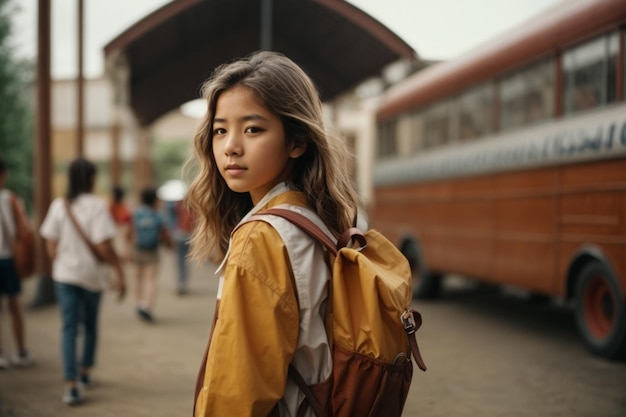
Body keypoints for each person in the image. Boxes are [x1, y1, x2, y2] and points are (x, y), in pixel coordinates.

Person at [187, 51, 359, 417]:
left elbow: (238, 392)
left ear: (297, 142)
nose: (231, 146)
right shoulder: (316, 222)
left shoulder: (261, 237)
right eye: (220, 130)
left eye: (253, 129)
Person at [39, 157, 126, 406]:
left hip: (65, 276)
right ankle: (85, 372)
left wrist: (62, 261)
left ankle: (71, 385)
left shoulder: (59, 205)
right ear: (90, 178)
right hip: (91, 277)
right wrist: (119, 271)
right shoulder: (97, 206)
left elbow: (50, 242)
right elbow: (103, 245)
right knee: (89, 325)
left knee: (68, 327)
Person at [0, 157, 32, 368]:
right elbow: (24, 230)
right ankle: (20, 350)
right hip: (8, 259)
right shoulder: (11, 199)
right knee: (14, 306)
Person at [126, 186, 172, 322]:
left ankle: (139, 303)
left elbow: (129, 234)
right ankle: (147, 305)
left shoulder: (136, 213)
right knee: (150, 280)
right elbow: (164, 234)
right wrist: (169, 246)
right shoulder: (158, 215)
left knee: (137, 279)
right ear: (154, 199)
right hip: (152, 251)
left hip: (138, 250)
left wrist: (127, 250)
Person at [164, 199, 193, 295]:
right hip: (187, 234)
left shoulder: (173, 205)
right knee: (184, 260)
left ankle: (180, 283)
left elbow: (169, 221)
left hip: (177, 234)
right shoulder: (191, 206)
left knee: (180, 260)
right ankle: (183, 283)